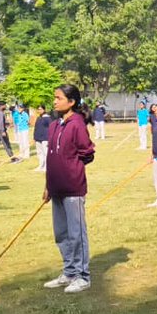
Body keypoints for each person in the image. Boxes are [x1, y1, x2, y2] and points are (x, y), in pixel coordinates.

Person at [42, 84, 96, 293]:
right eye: (54, 97)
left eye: (59, 98)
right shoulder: (54, 125)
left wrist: (71, 169)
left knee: (76, 234)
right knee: (61, 233)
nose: (54, 101)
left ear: (71, 102)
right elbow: (51, 157)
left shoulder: (77, 124)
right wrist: (48, 185)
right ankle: (69, 272)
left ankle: (83, 276)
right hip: (56, 187)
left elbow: (87, 153)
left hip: (73, 188)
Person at [33, 105, 52, 172]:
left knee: (45, 153)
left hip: (45, 138)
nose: (39, 111)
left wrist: (50, 138)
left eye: (41, 109)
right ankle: (41, 165)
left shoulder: (48, 118)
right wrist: (34, 137)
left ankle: (47, 167)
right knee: (39, 153)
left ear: (44, 110)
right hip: (38, 138)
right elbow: (36, 128)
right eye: (38, 109)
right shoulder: (38, 118)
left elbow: (51, 128)